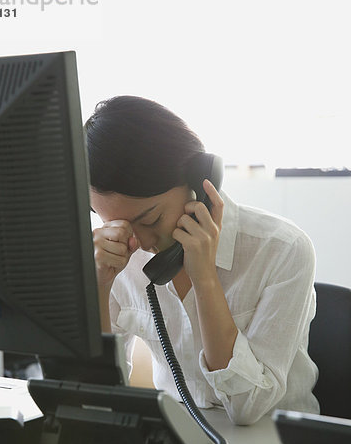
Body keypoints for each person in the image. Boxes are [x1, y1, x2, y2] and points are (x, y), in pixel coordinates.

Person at [86, 95, 319, 425]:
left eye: (150, 221)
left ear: (200, 182)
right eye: (114, 224)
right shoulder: (118, 254)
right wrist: (97, 284)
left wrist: (205, 277)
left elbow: (247, 407)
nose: (140, 243)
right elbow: (93, 396)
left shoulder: (282, 249)